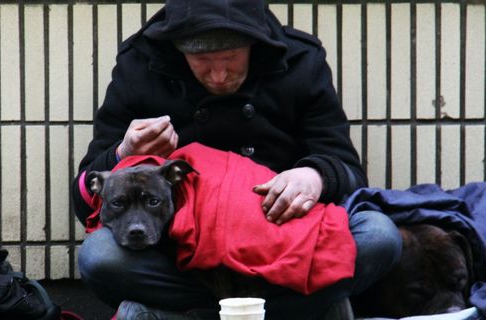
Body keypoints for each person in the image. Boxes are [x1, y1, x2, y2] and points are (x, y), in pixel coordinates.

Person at [72, 0, 402, 319]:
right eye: (200, 59)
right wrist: (123, 153)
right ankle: (301, 311)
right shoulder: (140, 64)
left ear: (254, 46)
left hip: (282, 242)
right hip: (181, 254)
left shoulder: (301, 59)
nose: (218, 76)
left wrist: (314, 176)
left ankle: (182, 317)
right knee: (99, 256)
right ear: (176, 49)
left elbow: (348, 171)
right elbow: (86, 197)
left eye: (231, 58)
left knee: (379, 235)